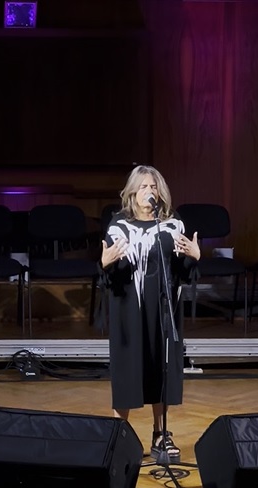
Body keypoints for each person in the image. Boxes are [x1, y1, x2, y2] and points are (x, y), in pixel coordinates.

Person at [98, 164, 200, 462]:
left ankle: (160, 434)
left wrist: (194, 258)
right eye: (143, 186)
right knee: (127, 368)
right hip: (128, 309)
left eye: (154, 187)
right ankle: (120, 435)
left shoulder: (171, 224)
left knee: (161, 367)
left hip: (162, 309)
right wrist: (104, 263)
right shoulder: (118, 225)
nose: (149, 192)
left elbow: (181, 271)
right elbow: (112, 272)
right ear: (132, 191)